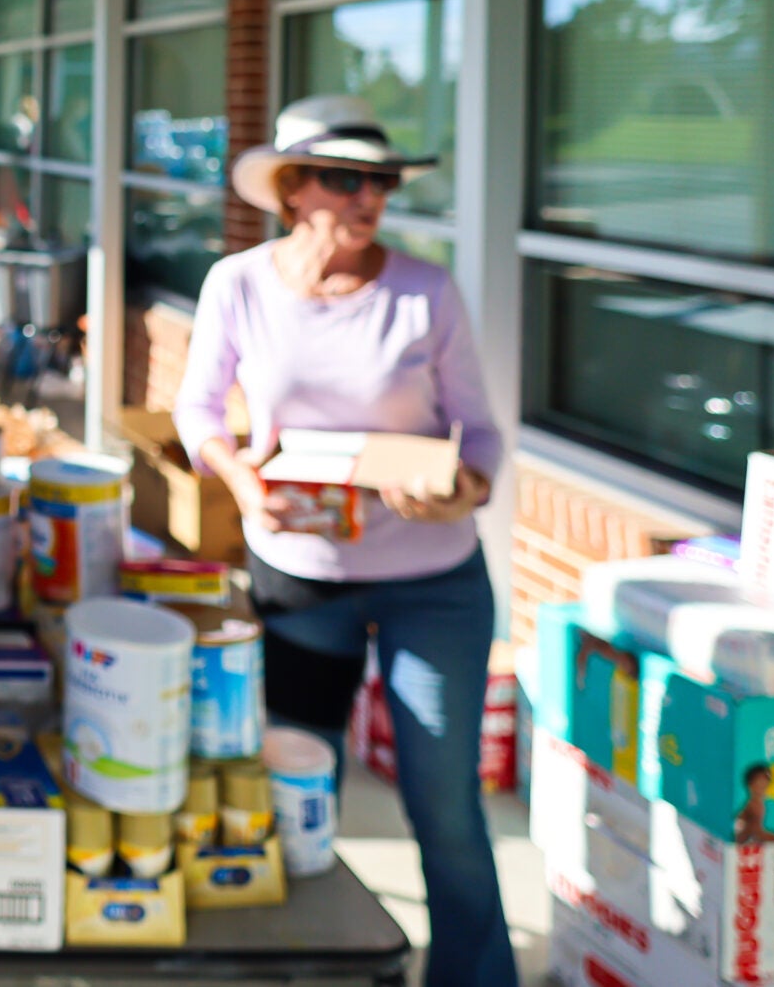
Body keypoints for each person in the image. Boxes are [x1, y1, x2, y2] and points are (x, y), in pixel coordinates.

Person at [174, 94, 511, 987]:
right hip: (301, 579)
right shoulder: (237, 284)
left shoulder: (425, 291)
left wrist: (460, 495)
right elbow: (197, 411)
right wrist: (243, 483)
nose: (370, 197)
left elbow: (479, 436)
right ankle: (300, 968)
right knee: (293, 794)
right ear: (292, 190)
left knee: (443, 807)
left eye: (384, 180)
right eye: (347, 178)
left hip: (432, 581)